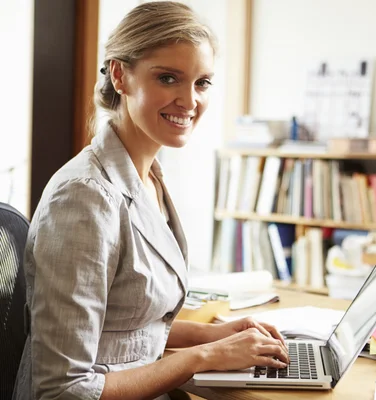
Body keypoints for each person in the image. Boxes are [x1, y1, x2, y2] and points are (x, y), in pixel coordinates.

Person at [13, 2, 288, 399]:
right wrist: (202, 356)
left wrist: (213, 334)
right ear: (120, 76)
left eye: (202, 83)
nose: (190, 101)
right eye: (169, 78)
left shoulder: (149, 178)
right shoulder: (84, 197)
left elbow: (125, 322)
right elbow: (64, 389)